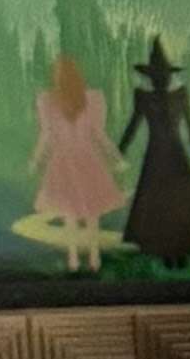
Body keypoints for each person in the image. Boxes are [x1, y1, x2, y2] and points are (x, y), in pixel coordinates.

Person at [118, 40, 190, 272]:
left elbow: (189, 125)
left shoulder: (172, 96)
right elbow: (134, 125)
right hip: (167, 155)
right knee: (167, 202)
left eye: (160, 75)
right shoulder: (152, 97)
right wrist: (121, 149)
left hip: (165, 155)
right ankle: (170, 251)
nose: (160, 79)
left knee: (174, 201)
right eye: (158, 75)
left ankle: (177, 250)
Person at [21, 53, 126, 277]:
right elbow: (99, 135)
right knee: (91, 211)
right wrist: (116, 158)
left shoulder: (48, 101)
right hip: (88, 159)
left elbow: (46, 137)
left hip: (63, 161)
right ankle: (94, 257)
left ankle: (73, 259)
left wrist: (35, 161)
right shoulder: (93, 99)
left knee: (69, 211)